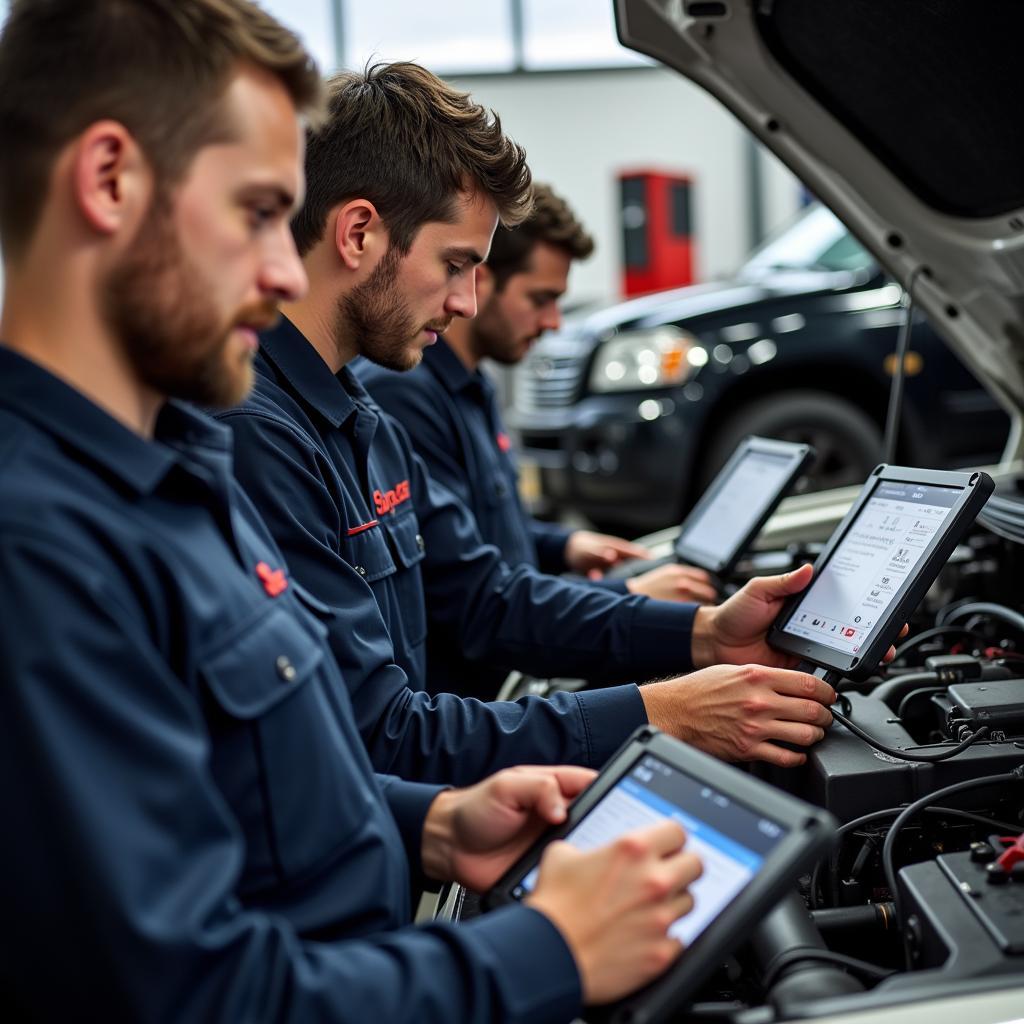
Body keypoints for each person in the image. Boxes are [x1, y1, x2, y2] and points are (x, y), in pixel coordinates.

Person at [0, 2, 704, 1020]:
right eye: (255, 212)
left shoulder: (179, 464)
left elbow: (248, 788)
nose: (289, 271)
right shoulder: (41, 546)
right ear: (109, 180)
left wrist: (428, 821)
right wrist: (545, 950)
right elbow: (198, 993)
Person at [216, 61, 841, 768]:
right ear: (358, 233)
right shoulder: (256, 439)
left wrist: (705, 633)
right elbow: (377, 739)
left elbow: (484, 598)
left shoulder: (362, 419)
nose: (465, 304)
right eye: (454, 264)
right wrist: (661, 714)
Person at [359, 182, 716, 606]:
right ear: (482, 279)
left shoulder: (473, 387)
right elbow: (471, 593)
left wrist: (564, 544)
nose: (553, 323)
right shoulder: (403, 395)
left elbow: (482, 531)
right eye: (540, 299)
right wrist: (629, 592)